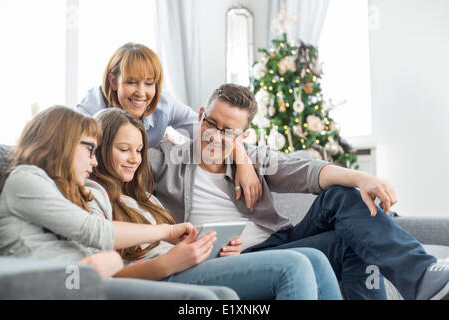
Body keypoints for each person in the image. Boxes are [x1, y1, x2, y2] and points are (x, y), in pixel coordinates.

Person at [147, 83, 449, 300]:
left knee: (343, 197)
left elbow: (306, 171)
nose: (215, 136)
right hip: (238, 259)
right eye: (211, 123)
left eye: (229, 131)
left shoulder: (252, 158)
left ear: (244, 135)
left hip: (280, 242)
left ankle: (421, 275)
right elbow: (119, 148)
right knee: (350, 242)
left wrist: (362, 178)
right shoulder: (169, 161)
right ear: (200, 115)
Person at [86, 107, 342, 300]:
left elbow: (168, 243)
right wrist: (168, 263)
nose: (135, 158)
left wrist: (209, 247)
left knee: (315, 259)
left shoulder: (144, 197)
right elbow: (97, 276)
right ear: (100, 148)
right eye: (124, 149)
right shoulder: (92, 195)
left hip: (189, 267)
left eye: (140, 150)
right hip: (162, 277)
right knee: (293, 266)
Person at [0, 105, 239, 300]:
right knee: (203, 300)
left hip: (85, 280)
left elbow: (101, 252)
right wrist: (166, 231)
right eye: (90, 150)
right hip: (62, 285)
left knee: (223, 294)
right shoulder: (26, 178)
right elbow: (95, 232)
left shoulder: (63, 191)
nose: (94, 163)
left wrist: (108, 262)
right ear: (64, 144)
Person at [76, 42, 261, 212]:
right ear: (113, 81)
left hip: (138, 182)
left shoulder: (164, 104)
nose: (141, 92)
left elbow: (207, 129)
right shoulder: (91, 108)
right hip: (98, 181)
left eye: (149, 83)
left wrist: (243, 161)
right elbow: (73, 157)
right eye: (132, 82)